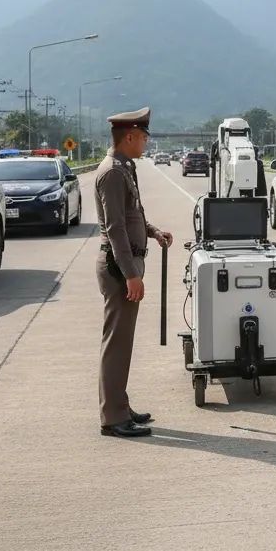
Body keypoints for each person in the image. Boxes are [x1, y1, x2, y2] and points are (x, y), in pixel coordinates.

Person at [96, 107, 173, 438]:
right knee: (116, 345)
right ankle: (113, 418)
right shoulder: (113, 173)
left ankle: (120, 406)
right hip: (118, 268)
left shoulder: (124, 167)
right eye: (142, 137)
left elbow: (132, 215)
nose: (145, 143)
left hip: (125, 264)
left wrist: (153, 232)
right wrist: (130, 274)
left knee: (123, 344)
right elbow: (115, 228)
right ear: (129, 137)